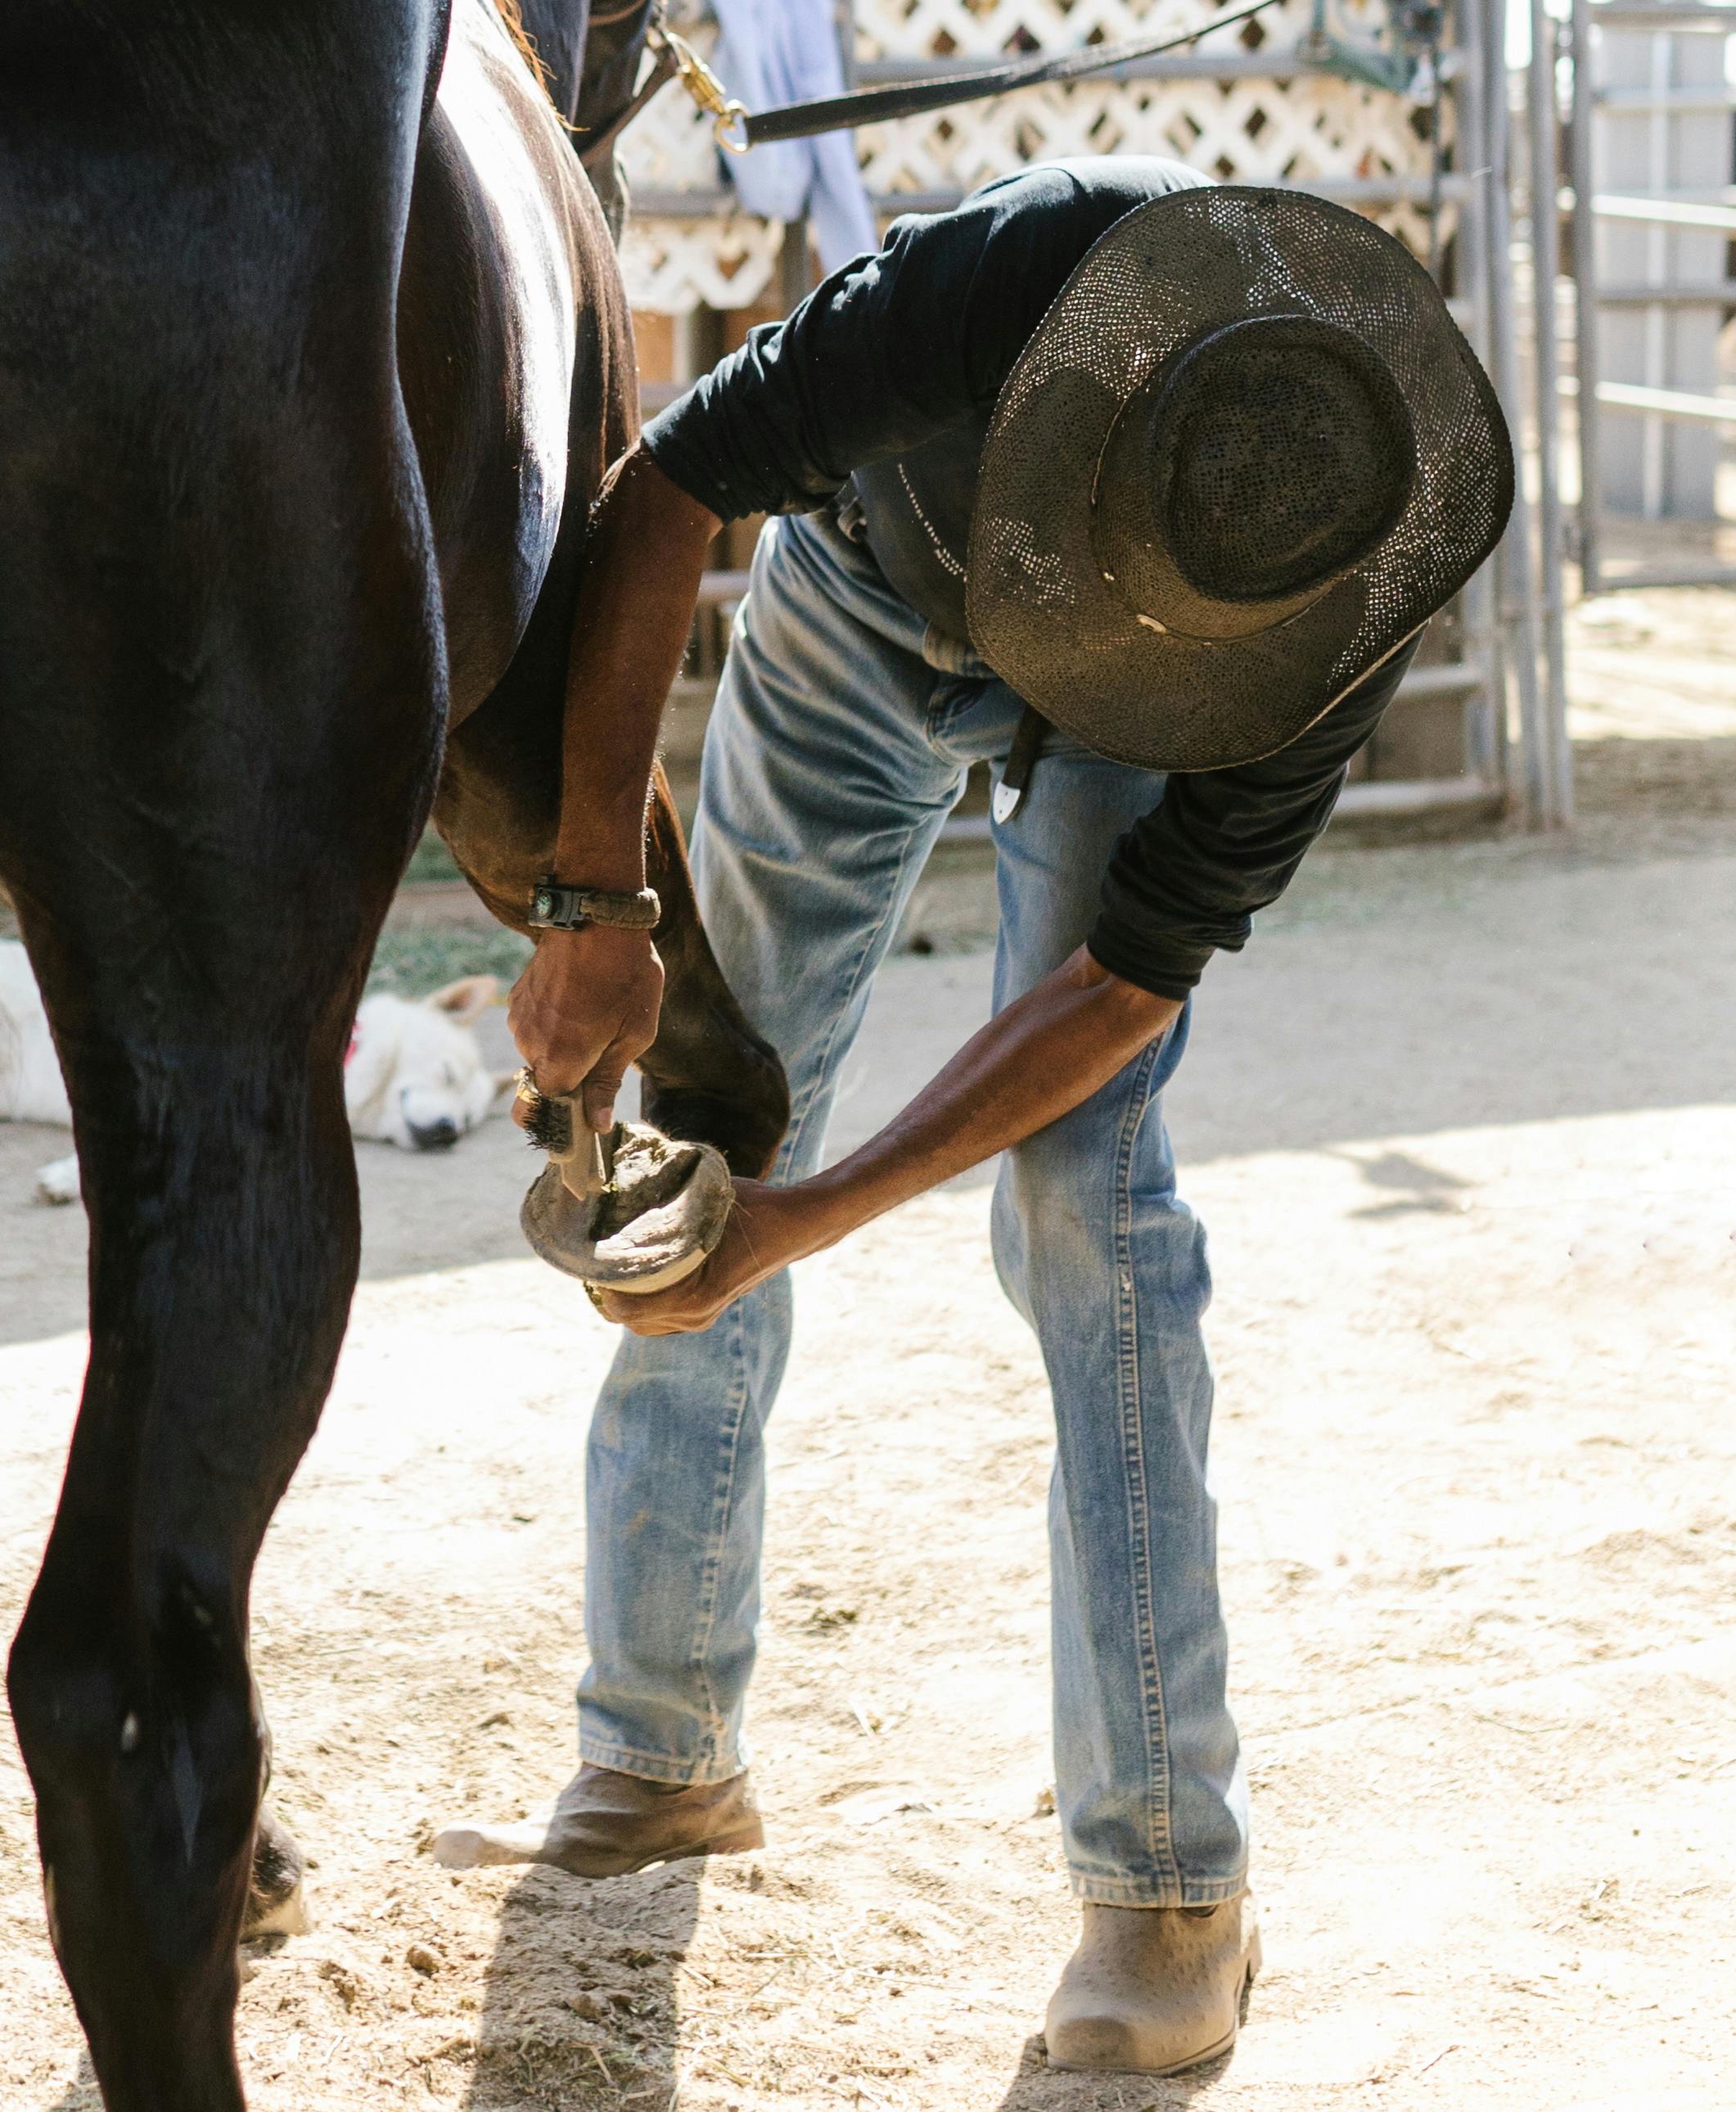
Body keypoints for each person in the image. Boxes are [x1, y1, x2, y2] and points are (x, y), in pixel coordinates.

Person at [435, 159, 1513, 2074]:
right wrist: (597, 897)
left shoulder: (1335, 586)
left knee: (1093, 1210)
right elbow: (669, 483)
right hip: (865, 598)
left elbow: (1115, 991)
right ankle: (658, 1737)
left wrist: (821, 1213)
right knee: (713, 1108)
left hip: (1155, 715)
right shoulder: (999, 274)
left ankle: (1171, 1879)